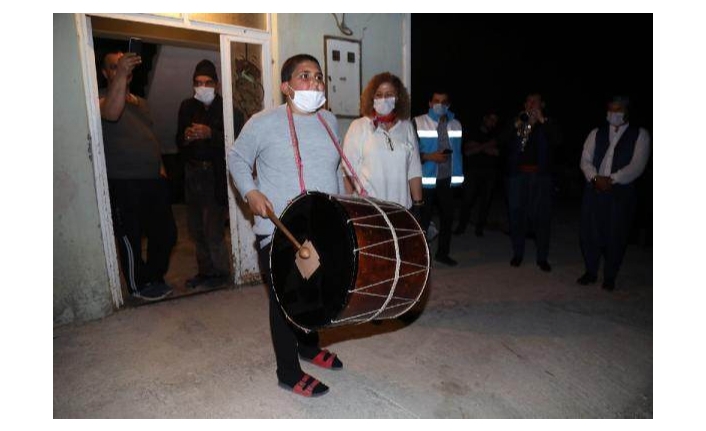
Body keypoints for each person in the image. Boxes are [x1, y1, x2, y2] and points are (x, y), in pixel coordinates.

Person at [227, 54, 346, 397]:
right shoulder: (263, 122)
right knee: (286, 300)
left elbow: (334, 169)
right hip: (281, 230)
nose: (314, 82)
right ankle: (288, 372)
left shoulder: (330, 121)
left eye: (319, 76)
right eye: (304, 76)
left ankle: (308, 348)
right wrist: (250, 191)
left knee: (318, 293)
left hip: (321, 228)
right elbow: (236, 158)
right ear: (286, 86)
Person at [99, 51, 176, 301]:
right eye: (114, 66)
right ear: (106, 73)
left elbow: (150, 136)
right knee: (130, 236)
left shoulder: (141, 102)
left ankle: (154, 276)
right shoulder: (100, 98)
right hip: (123, 180)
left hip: (153, 178)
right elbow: (111, 113)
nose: (121, 68)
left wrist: (161, 167)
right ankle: (137, 286)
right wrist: (121, 73)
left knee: (165, 232)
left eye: (123, 65)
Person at [176, 60, 244, 289]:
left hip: (214, 175)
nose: (202, 87)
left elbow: (237, 144)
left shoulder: (228, 110)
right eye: (197, 83)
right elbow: (178, 140)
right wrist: (186, 137)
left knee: (213, 228)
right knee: (195, 228)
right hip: (192, 173)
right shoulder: (187, 106)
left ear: (216, 84)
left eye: (206, 82)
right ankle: (205, 272)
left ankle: (221, 274)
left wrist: (210, 134)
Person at [578, 96, 651, 291]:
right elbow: (585, 159)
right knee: (589, 231)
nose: (613, 114)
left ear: (627, 112)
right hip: (594, 187)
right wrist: (595, 177)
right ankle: (591, 271)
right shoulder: (596, 133)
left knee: (616, 234)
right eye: (610, 110)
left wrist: (612, 179)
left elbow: (637, 166)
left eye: (617, 110)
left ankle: (610, 276)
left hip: (620, 191)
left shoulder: (640, 135)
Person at [342, 72, 423, 215]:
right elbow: (348, 172)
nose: (384, 99)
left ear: (398, 98)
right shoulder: (358, 126)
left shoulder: (407, 127)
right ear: (371, 98)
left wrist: (418, 205)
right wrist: (346, 208)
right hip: (368, 210)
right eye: (379, 94)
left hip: (401, 210)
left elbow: (414, 170)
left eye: (389, 94)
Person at [505, 92, 560, 272]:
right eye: (528, 101)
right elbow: (502, 140)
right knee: (517, 216)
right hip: (518, 176)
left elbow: (558, 142)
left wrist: (542, 120)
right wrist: (518, 123)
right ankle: (518, 253)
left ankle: (542, 257)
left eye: (535, 102)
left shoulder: (548, 123)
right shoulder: (519, 121)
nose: (531, 104)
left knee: (542, 217)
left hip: (541, 178)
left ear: (542, 104)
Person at [414, 90, 464, 266]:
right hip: (426, 179)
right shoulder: (418, 122)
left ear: (448, 105)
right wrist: (429, 156)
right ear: (429, 103)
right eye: (436, 101)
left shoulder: (456, 124)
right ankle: (420, 258)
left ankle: (443, 253)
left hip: (447, 179)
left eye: (444, 102)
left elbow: (459, 152)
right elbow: (410, 154)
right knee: (423, 220)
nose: (440, 105)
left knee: (448, 217)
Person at [454, 109, 501, 237]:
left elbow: (497, 152)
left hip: (490, 172)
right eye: (491, 119)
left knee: (485, 202)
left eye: (495, 121)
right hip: (473, 171)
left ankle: (479, 228)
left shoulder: (496, 134)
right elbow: (468, 152)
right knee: (467, 200)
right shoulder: (473, 132)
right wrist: (487, 146)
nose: (493, 123)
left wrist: (478, 147)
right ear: (485, 119)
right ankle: (461, 226)